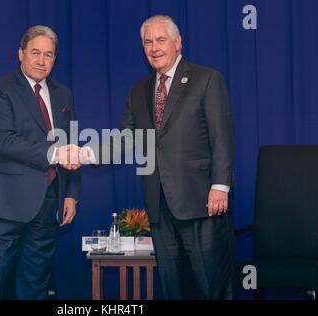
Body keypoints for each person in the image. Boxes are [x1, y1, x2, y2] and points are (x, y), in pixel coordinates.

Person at [78, 15, 235, 299]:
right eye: (147, 42)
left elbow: (222, 135)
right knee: (174, 287)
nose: (154, 47)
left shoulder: (206, 79)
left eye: (160, 39)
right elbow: (127, 138)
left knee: (212, 285)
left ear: (177, 42)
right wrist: (86, 153)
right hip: (159, 206)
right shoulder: (138, 91)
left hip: (202, 201)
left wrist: (220, 185)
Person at [0, 25, 80, 299]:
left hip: (48, 201)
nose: (41, 60)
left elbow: (70, 143)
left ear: (54, 60)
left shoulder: (63, 94)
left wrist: (70, 194)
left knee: (36, 281)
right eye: (35, 52)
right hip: (7, 202)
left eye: (48, 55)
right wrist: (55, 154)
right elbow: (5, 140)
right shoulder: (0, 90)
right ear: (20, 54)